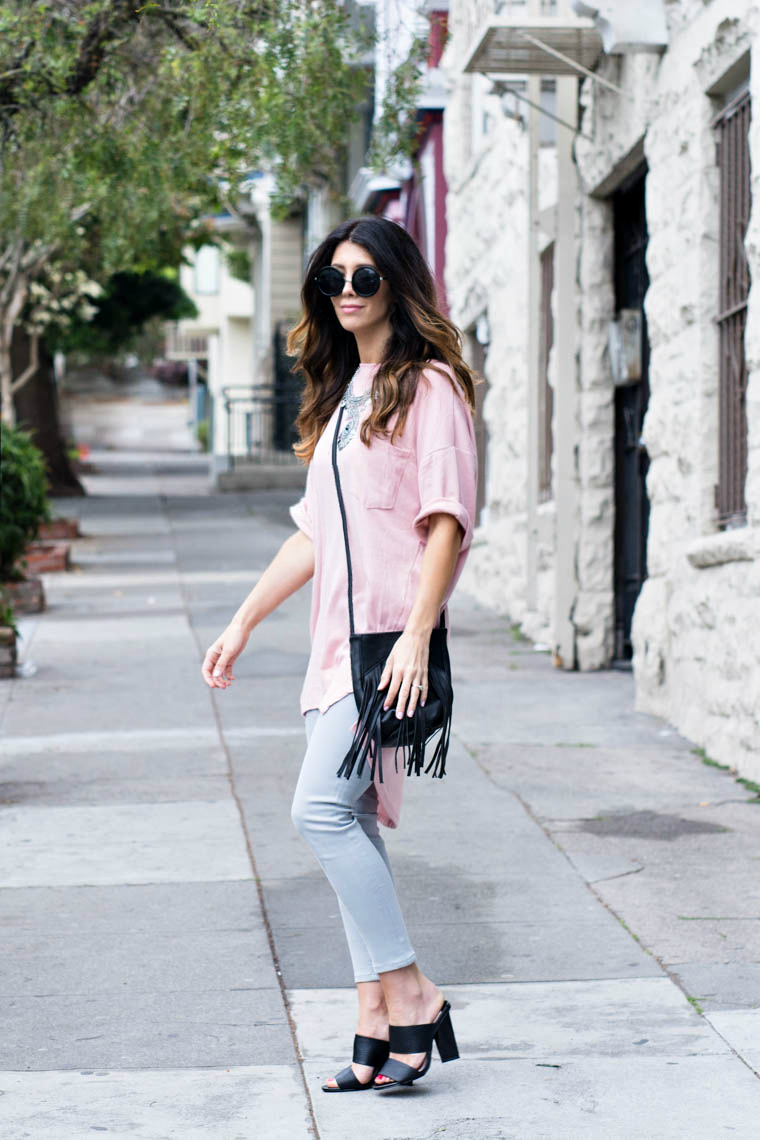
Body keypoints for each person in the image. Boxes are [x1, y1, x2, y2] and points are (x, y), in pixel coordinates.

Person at [202, 216, 478, 1091]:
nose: (348, 291)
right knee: (349, 816)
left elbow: (445, 522)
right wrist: (243, 619)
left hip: (386, 643)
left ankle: (413, 990)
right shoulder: (343, 396)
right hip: (334, 647)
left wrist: (418, 633)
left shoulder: (427, 387)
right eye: (334, 278)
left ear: (397, 282)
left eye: (364, 276)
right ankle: (373, 1017)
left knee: (317, 811)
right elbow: (314, 535)